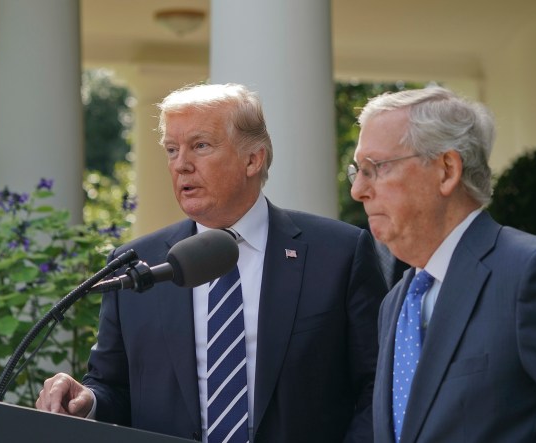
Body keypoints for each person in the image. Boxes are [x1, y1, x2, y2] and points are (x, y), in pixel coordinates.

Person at [36, 83, 389, 443]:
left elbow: (377, 385)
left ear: (254, 159)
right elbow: (113, 386)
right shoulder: (138, 267)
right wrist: (88, 399)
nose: (181, 164)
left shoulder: (338, 253)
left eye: (200, 146)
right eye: (172, 150)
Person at [348, 86, 536, 443]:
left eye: (376, 168)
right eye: (357, 170)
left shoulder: (531, 275)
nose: (359, 190)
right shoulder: (396, 303)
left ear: (447, 170)